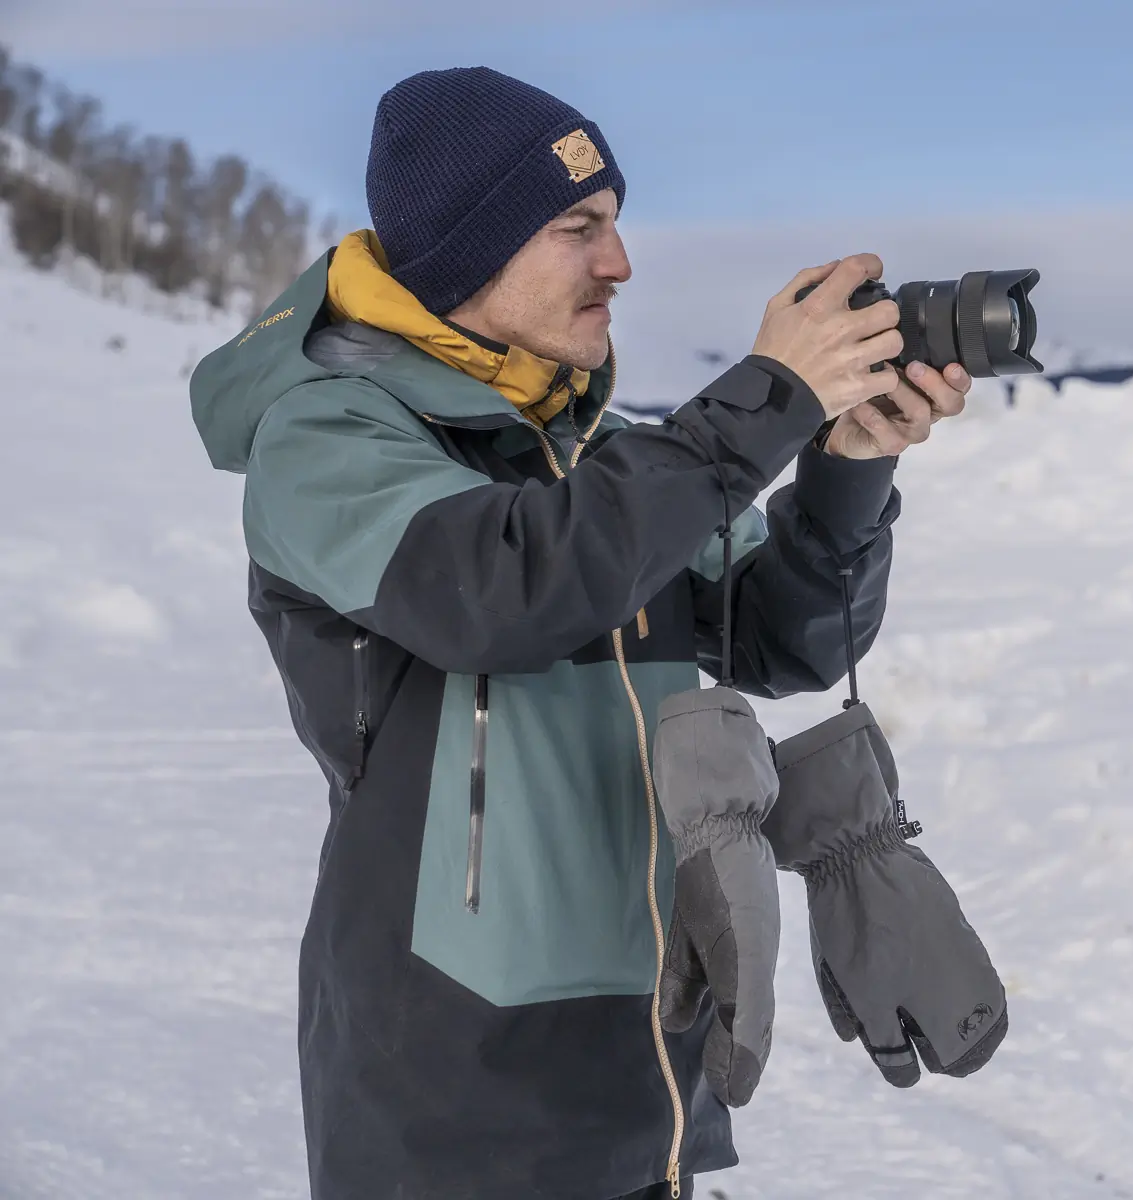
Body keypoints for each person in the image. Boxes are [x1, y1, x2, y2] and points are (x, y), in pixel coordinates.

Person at [188, 65, 972, 1199]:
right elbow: (505, 589)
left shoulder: (600, 463)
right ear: (467, 251)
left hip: (649, 1068)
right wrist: (759, 399)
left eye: (617, 223)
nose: (621, 262)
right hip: (451, 1103)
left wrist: (847, 472)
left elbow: (784, 639)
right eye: (577, 227)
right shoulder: (327, 442)